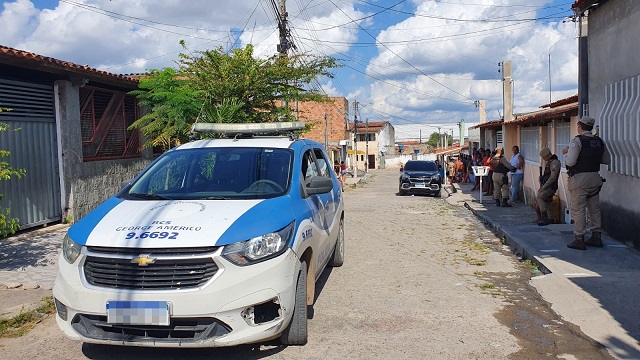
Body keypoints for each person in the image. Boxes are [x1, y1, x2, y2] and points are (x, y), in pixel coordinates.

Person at [563, 116, 611, 250]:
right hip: (595, 178)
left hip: (579, 180)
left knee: (578, 210)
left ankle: (579, 239)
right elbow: (607, 160)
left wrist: (566, 154)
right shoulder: (599, 141)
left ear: (579, 126)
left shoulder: (577, 141)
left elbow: (570, 162)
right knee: (594, 209)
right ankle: (596, 237)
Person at [536, 147, 561, 226]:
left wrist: (543, 187)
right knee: (548, 201)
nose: (543, 159)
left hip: (551, 186)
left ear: (548, 155)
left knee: (540, 196)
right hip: (547, 185)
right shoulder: (549, 162)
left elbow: (552, 178)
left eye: (544, 157)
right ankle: (550, 218)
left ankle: (544, 217)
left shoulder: (555, 163)